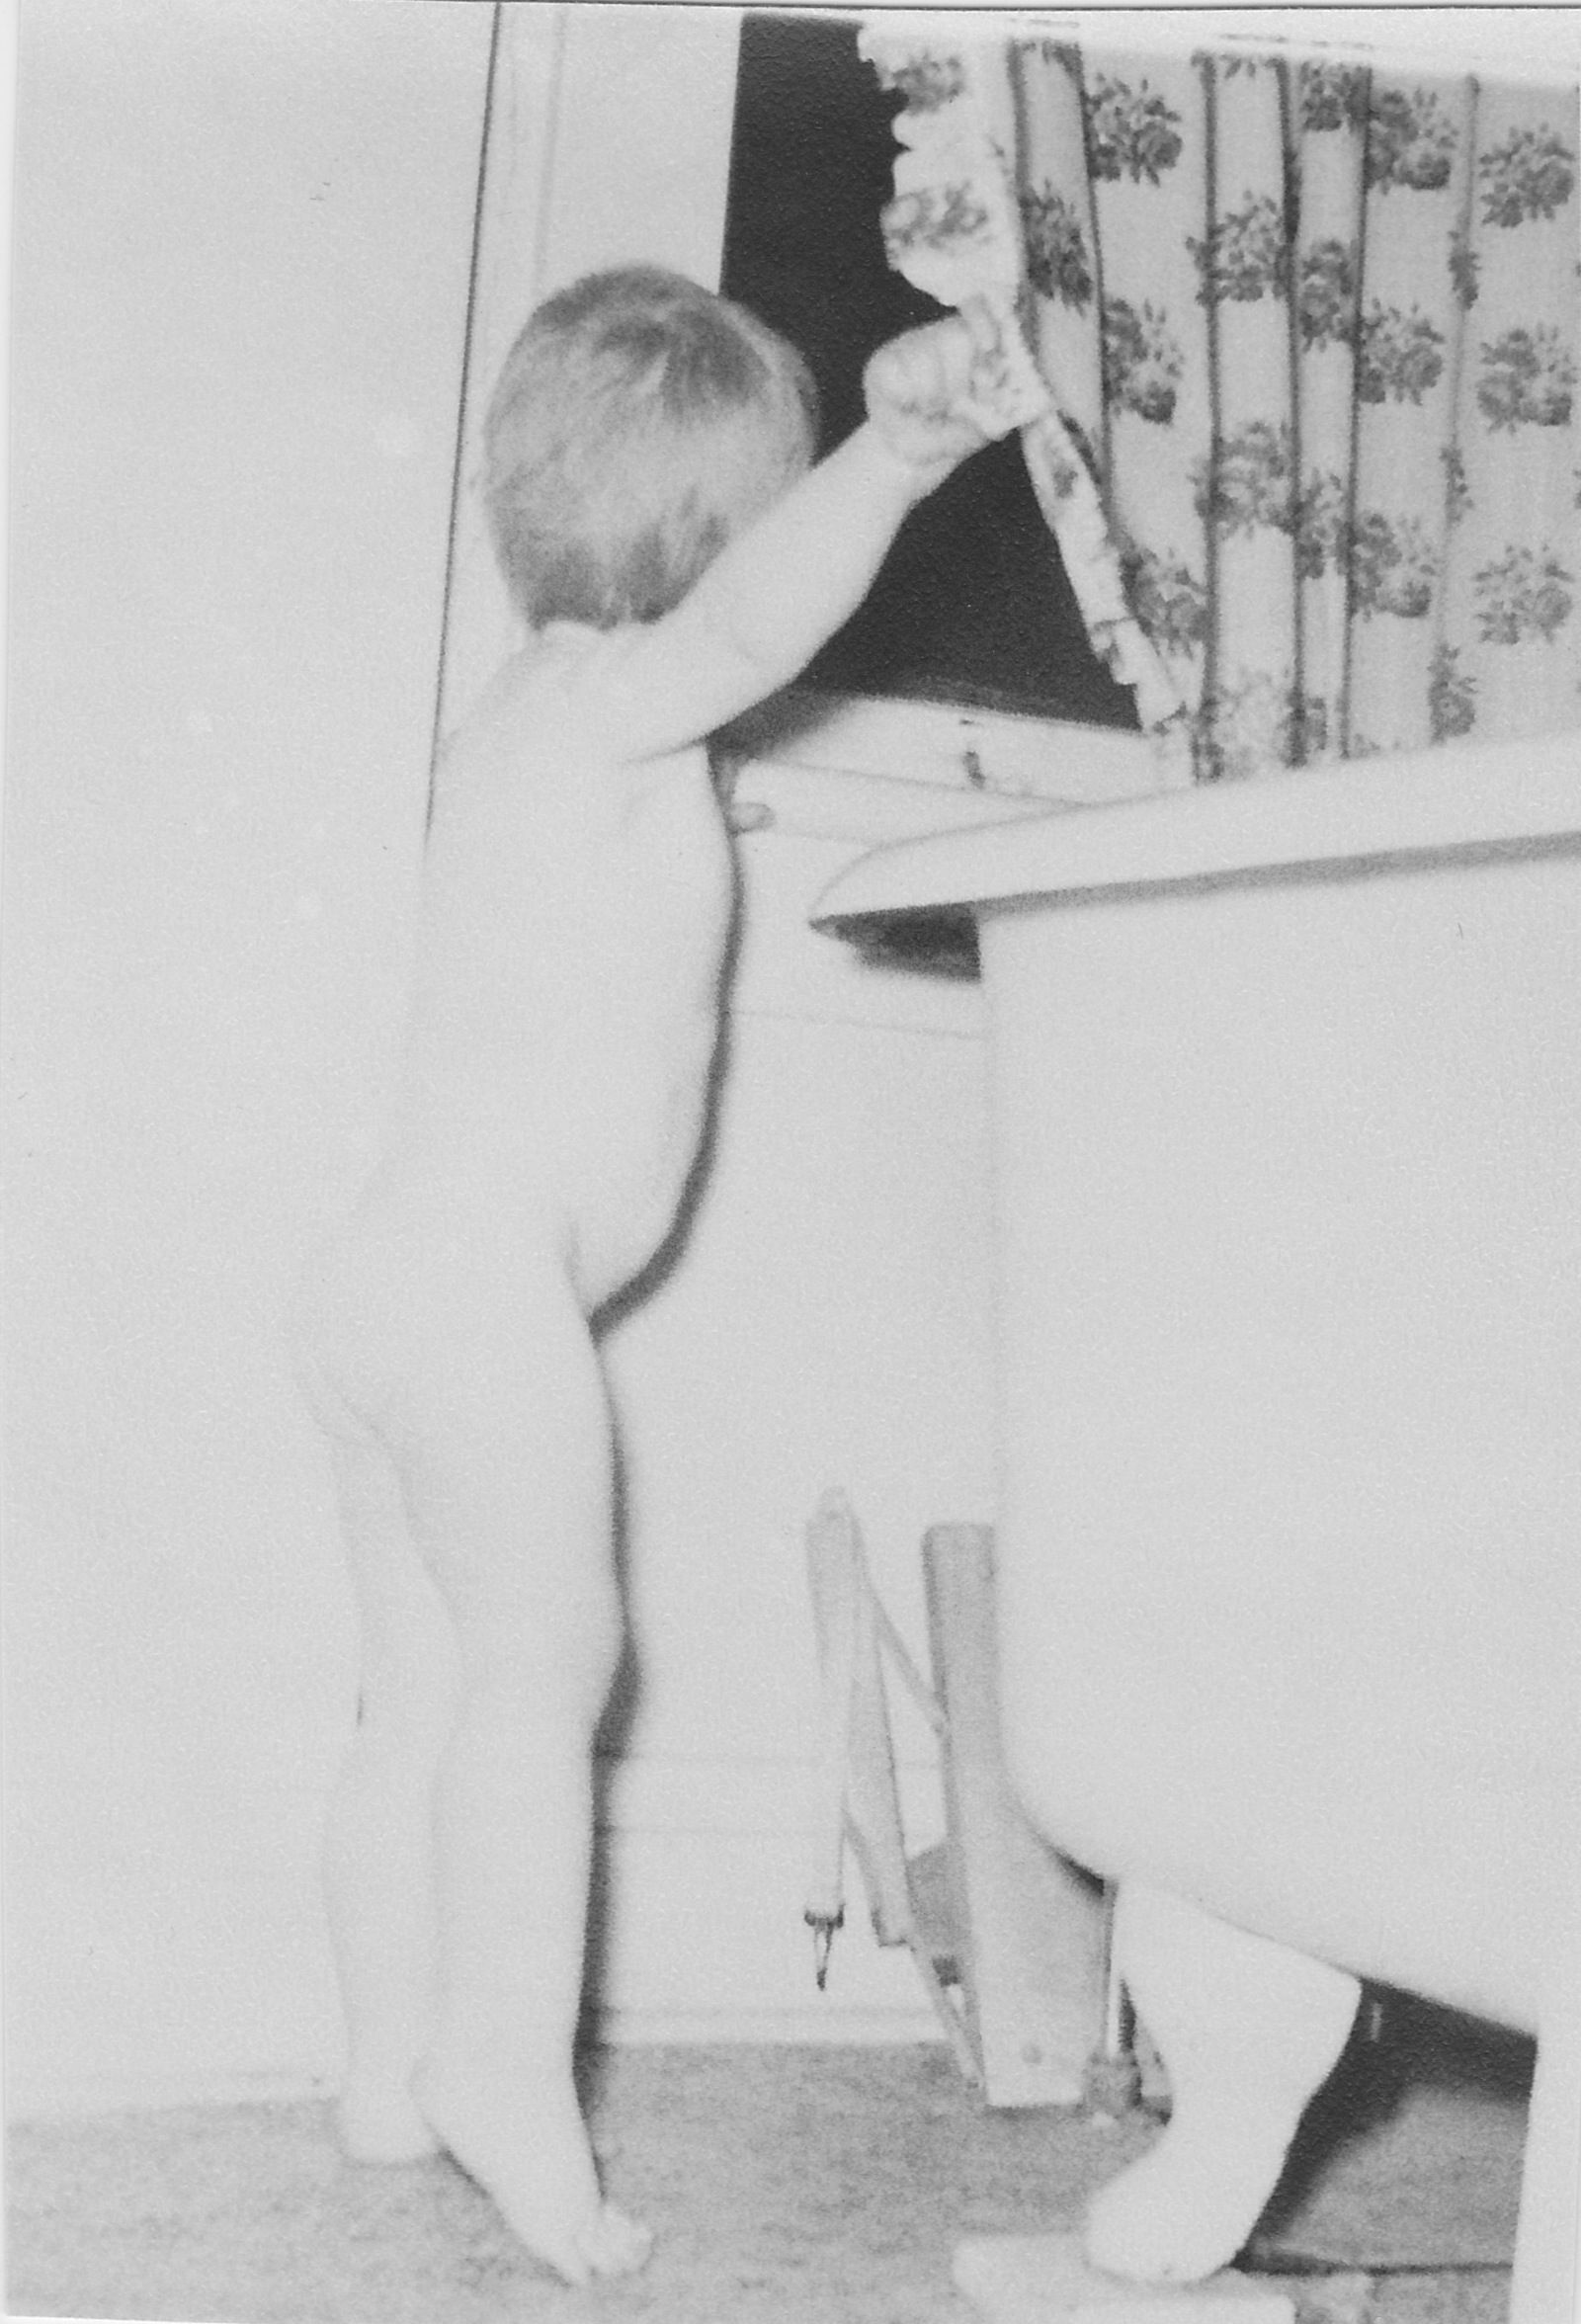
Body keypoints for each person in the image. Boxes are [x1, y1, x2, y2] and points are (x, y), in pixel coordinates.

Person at [292, 264, 1002, 2283]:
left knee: (422, 1697)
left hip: (380, 1287)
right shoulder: (618, 699)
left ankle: (381, 2067)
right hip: (478, 1292)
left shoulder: (525, 714)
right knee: (548, 1677)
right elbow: (758, 626)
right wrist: (897, 454)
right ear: (718, 526)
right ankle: (499, 2072)